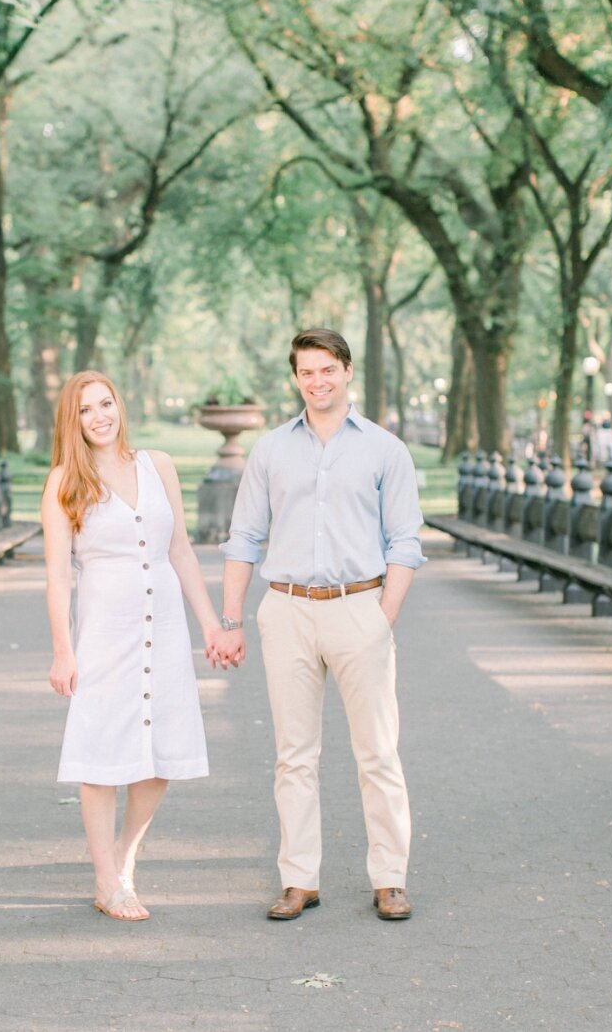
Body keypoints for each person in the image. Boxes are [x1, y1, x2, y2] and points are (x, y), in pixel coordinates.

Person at [215, 328, 425, 923]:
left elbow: (406, 542)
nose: (317, 381)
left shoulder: (386, 450)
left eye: (327, 369)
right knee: (293, 755)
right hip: (287, 609)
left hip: (360, 607)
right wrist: (231, 619)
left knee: (378, 753)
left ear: (347, 371)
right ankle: (298, 879)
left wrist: (382, 619)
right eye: (306, 371)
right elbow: (244, 538)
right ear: (296, 378)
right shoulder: (271, 450)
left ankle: (389, 878)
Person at [43, 370, 229, 922]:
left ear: (120, 406)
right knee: (101, 756)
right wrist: (62, 650)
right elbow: (58, 577)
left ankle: (124, 854)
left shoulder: (158, 465)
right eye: (85, 410)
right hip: (104, 631)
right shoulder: (63, 482)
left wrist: (212, 627)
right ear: (71, 421)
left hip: (164, 625)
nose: (99, 416)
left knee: (161, 754)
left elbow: (182, 553)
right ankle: (107, 880)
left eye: (106, 404)